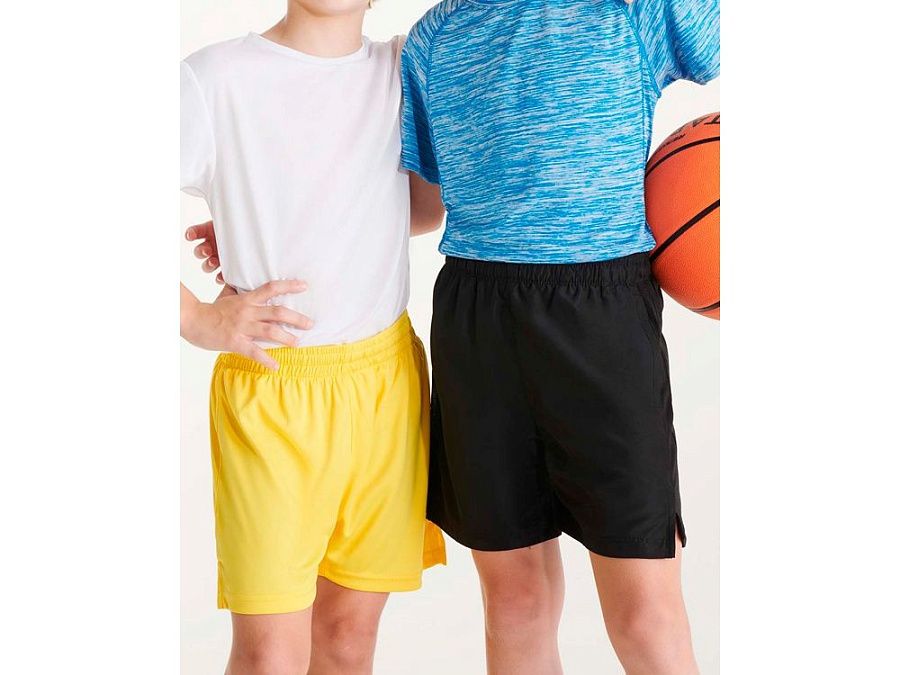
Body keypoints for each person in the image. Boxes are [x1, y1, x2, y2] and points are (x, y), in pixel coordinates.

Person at [399, 0, 720, 673]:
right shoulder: (435, 38)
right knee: (514, 601)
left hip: (603, 316)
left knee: (645, 611)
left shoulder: (633, 11)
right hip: (478, 321)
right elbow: (422, 204)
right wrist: (270, 234)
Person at [179, 1, 446, 673]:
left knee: (349, 638)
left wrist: (264, 217)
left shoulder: (402, 68)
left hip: (385, 387)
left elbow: (414, 208)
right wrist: (198, 318)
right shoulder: (216, 79)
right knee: (270, 653)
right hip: (274, 392)